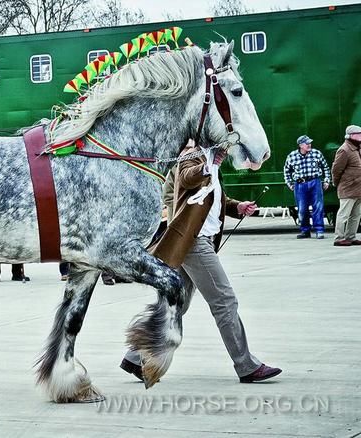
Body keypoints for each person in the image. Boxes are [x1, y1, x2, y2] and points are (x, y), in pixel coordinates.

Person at [120, 141, 281, 384]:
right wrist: (207, 166)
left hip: (191, 241)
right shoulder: (193, 156)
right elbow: (187, 178)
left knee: (176, 305)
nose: (230, 151)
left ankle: (135, 358)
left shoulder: (210, 161)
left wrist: (238, 207)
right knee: (224, 301)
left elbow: (213, 199)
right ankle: (246, 365)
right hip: (195, 241)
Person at [283, 135, 331, 239]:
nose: (309, 145)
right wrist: (290, 183)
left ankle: (319, 230)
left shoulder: (316, 153)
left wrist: (327, 180)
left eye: (310, 143)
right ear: (300, 145)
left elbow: (326, 167)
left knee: (318, 207)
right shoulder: (292, 156)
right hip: (300, 184)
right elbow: (286, 171)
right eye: (307, 143)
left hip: (315, 182)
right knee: (302, 209)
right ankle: (305, 230)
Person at [331, 125, 361, 246]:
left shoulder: (357, 148)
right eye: (358, 134)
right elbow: (336, 170)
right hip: (348, 188)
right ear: (351, 136)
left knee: (356, 215)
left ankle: (351, 236)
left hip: (358, 189)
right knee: (344, 214)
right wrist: (337, 183)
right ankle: (339, 238)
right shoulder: (344, 150)